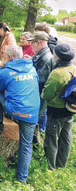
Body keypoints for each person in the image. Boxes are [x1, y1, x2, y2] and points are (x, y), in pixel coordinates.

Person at [0, 45, 40, 183]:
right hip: (33, 112)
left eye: (4, 57)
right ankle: (21, 179)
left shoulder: (5, 72)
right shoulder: (32, 68)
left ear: (9, 57)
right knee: (26, 145)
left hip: (16, 110)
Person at [41, 43, 76, 171]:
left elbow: (46, 94)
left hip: (56, 111)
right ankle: (61, 165)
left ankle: (50, 167)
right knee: (66, 138)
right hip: (70, 109)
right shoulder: (73, 68)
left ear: (59, 57)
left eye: (54, 52)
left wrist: (43, 92)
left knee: (51, 139)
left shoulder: (57, 73)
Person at [27, 31, 55, 133]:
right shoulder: (38, 54)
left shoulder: (46, 58)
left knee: (42, 111)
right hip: (37, 91)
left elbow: (41, 80)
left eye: (32, 42)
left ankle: (41, 131)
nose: (30, 45)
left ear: (39, 42)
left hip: (41, 92)